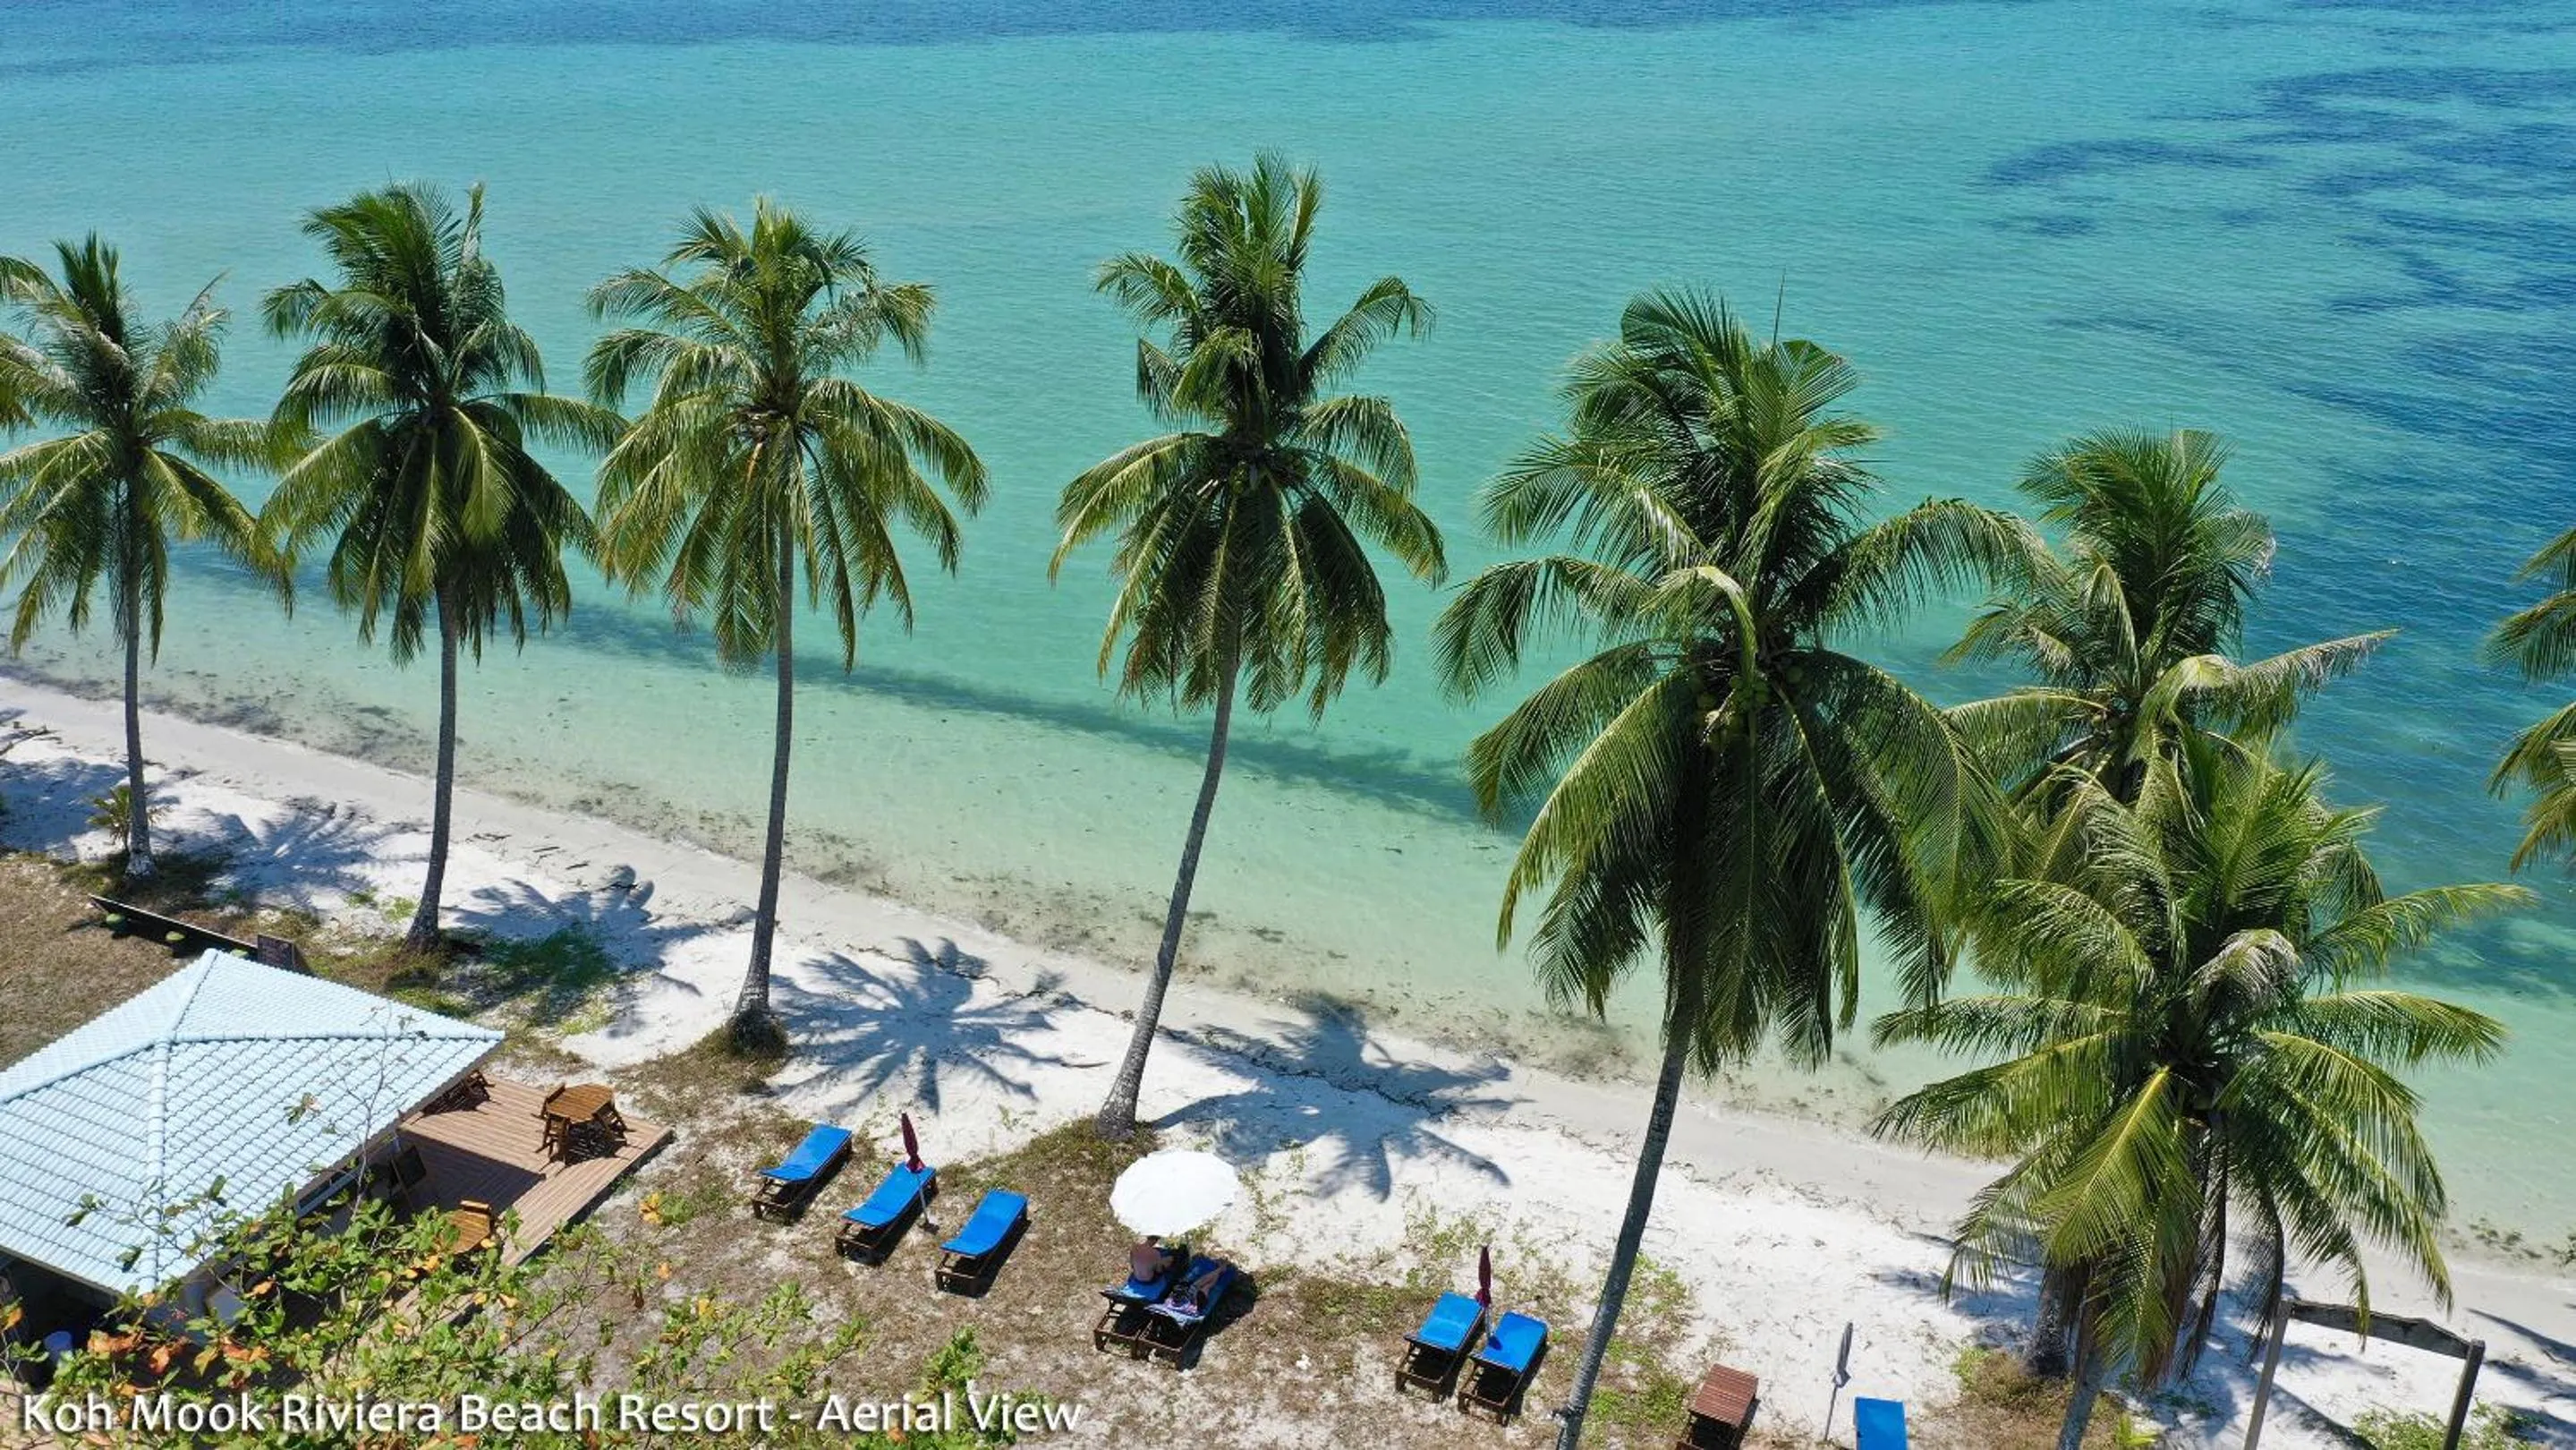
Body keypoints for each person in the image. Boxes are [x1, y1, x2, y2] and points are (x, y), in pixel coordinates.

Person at [1168, 1257, 1234, 1316]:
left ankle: (1220, 1269)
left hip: (1186, 1304)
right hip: (1189, 1304)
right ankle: (1221, 1269)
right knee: (1202, 1286)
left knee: (1205, 1286)